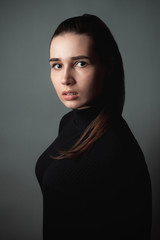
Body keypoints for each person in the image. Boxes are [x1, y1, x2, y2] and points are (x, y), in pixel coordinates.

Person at [35, 14, 152, 239]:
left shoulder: (115, 148)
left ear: (108, 66)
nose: (65, 79)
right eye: (57, 65)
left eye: (80, 63)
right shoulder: (69, 122)